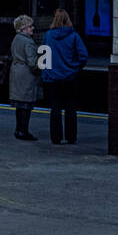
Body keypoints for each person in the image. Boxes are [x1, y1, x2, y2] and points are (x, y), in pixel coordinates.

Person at [41, 8, 89, 145]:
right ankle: (71, 136)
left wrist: (47, 72)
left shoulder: (48, 36)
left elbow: (42, 57)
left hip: (52, 78)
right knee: (71, 108)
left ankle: (56, 137)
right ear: (68, 19)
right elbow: (83, 56)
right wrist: (74, 68)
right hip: (70, 78)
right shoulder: (74, 36)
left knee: (55, 108)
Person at [8, 15, 41, 141]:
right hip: (26, 75)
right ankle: (24, 131)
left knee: (19, 104)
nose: (32, 28)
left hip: (16, 72)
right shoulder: (28, 42)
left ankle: (18, 129)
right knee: (26, 104)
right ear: (23, 28)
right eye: (30, 26)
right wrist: (41, 65)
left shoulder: (16, 39)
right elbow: (32, 62)